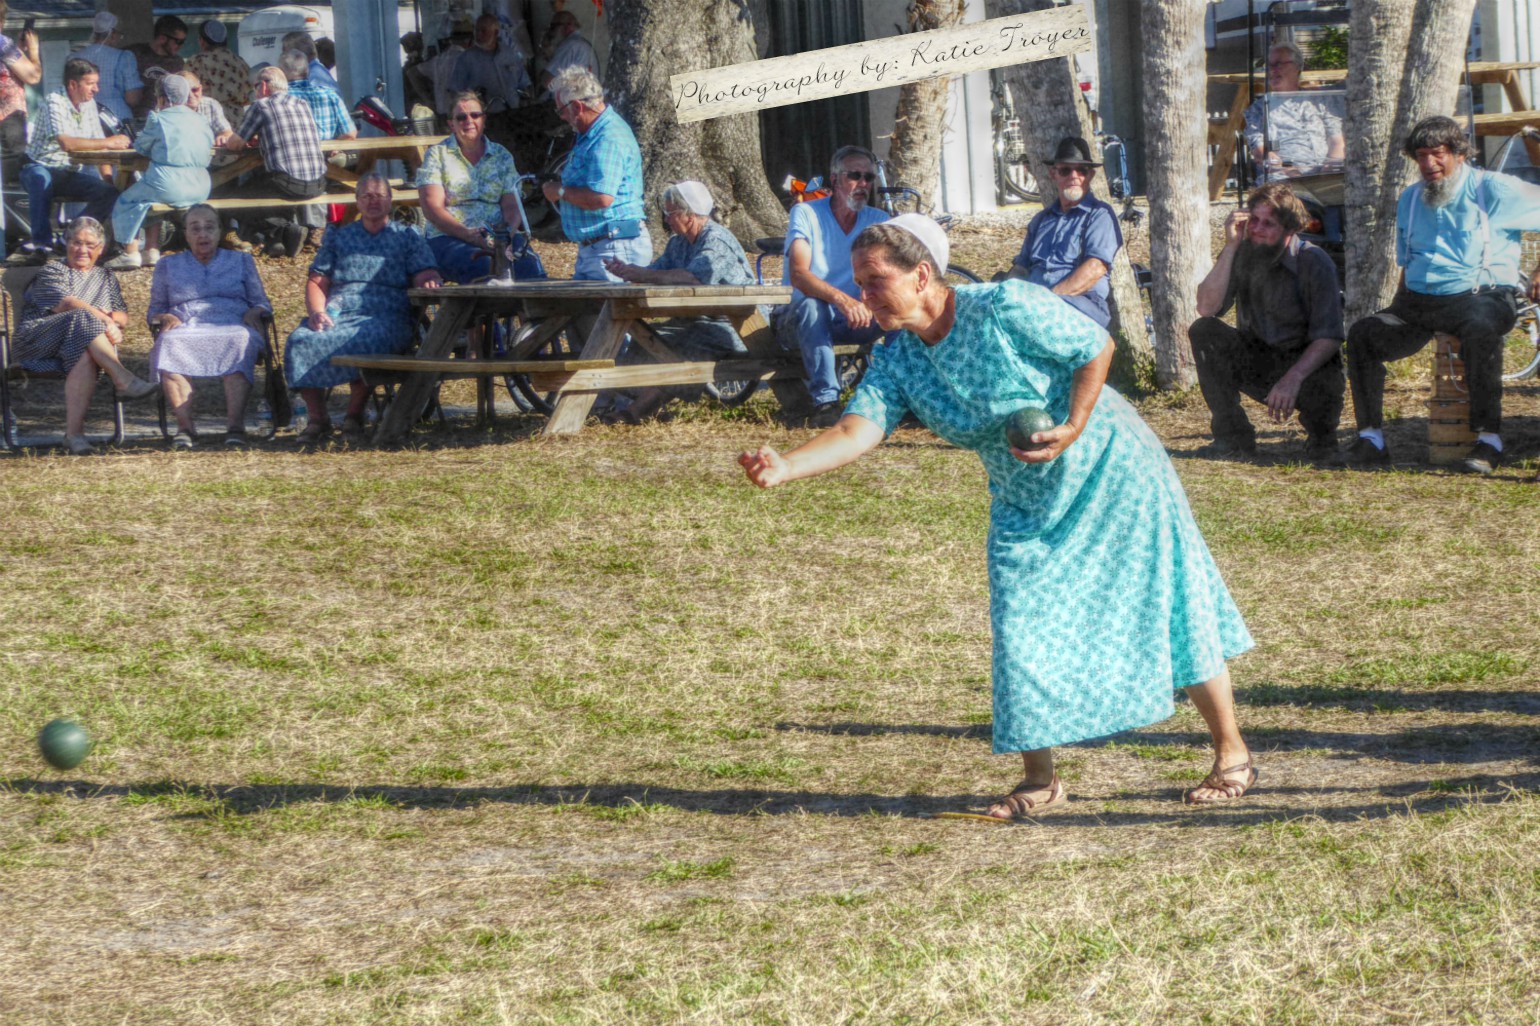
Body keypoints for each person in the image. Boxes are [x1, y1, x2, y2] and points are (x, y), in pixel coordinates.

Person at [739, 214, 1258, 816]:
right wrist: (787, 465)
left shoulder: (1004, 306)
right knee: (1020, 619)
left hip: (1111, 468)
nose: (864, 295)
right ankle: (1040, 780)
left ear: (922, 275)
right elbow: (859, 429)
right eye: (859, 282)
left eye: (876, 280)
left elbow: (1097, 347)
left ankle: (1231, 752)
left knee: (1165, 599)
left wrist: (1072, 426)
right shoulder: (900, 358)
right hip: (1024, 496)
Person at [1341, 115, 1540, 475]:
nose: (1429, 164)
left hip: (1483, 295)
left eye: (1437, 154)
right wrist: (1399, 307)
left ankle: (1489, 439)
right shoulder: (1410, 198)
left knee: (1480, 328)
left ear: (1460, 154)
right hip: (1420, 302)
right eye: (1421, 156)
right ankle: (1371, 438)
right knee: (1362, 333)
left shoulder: (1493, 189)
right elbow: (1407, 260)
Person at [1189, 182, 1345, 460]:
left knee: (1327, 371)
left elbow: (1329, 336)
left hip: (1305, 366)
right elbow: (1206, 307)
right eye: (1254, 221)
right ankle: (1233, 437)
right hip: (1261, 358)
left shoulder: (1313, 261)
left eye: (1268, 224)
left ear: (1291, 228)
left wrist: (1292, 378)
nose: (1257, 230)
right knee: (1204, 332)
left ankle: (1322, 438)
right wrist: (1230, 247)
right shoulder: (1245, 253)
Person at [283, 174, 442, 443]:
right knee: (301, 340)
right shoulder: (339, 237)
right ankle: (317, 419)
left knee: (364, 339)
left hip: (387, 314)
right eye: (367, 196)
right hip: (340, 311)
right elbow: (317, 281)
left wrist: (428, 279)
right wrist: (317, 312)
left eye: (380, 196)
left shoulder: (406, 236)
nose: (373, 201)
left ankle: (353, 417)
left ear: (390, 201)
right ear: (357, 201)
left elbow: (424, 272)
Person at [604, 180, 758, 421]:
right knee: (646, 337)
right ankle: (642, 401)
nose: (666, 219)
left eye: (671, 213)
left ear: (690, 215)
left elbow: (694, 277)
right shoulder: (678, 243)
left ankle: (635, 413)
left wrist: (644, 274)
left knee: (679, 349)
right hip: (696, 321)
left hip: (735, 325)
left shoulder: (716, 240)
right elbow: (656, 272)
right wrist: (628, 272)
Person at [10, 217, 157, 455]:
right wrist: (105, 321)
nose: (82, 250)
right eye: (76, 242)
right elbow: (67, 303)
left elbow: (122, 314)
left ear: (100, 250)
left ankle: (74, 436)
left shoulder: (106, 277)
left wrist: (112, 321)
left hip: (78, 344)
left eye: (90, 245)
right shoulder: (52, 270)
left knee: (87, 351)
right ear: (66, 243)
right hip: (36, 343)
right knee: (82, 317)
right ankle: (122, 377)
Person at [775, 144, 890, 427]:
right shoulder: (806, 214)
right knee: (814, 307)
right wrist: (844, 300)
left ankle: (898, 394)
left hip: (857, 318)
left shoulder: (878, 221)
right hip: (802, 319)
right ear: (835, 179)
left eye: (868, 178)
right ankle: (826, 402)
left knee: (901, 312)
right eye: (854, 175)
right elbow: (800, 274)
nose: (862, 184)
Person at [147, 203, 272, 448]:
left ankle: (235, 427)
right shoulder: (167, 265)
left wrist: (255, 312)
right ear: (185, 234)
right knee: (169, 343)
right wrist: (164, 318)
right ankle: (185, 428)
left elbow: (261, 302)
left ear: (219, 232)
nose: (202, 234)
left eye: (209, 228)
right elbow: (155, 310)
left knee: (240, 339)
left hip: (233, 322)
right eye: (195, 228)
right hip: (186, 325)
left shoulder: (241, 261)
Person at [540, 67, 649, 281]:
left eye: (561, 110)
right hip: (601, 247)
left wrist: (560, 191)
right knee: (585, 314)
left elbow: (601, 197)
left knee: (608, 314)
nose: (562, 117)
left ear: (578, 106)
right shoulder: (592, 134)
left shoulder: (607, 138)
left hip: (614, 249)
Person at [19, 58, 130, 262]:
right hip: (39, 166)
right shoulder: (55, 100)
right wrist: (110, 141)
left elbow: (100, 146)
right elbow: (67, 143)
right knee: (39, 179)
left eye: (96, 83)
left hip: (68, 172)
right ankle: (42, 246)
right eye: (90, 83)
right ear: (72, 84)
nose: (96, 89)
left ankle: (66, 240)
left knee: (111, 193)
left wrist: (106, 179)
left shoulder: (89, 105)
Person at [1007, 136, 1122, 329]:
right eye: (1065, 170)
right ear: (1054, 174)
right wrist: (1006, 292)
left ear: (1090, 176)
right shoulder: (1041, 220)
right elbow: (1021, 268)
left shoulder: (1100, 216)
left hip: (1082, 302)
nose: (1074, 176)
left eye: (1081, 170)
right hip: (1036, 304)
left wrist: (1048, 301)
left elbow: (1095, 268)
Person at [106, 75, 213, 270]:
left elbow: (141, 146)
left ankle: (130, 253)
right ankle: (152, 251)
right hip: (201, 185)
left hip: (169, 183)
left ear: (163, 99)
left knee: (128, 199)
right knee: (148, 199)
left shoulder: (158, 118)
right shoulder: (201, 119)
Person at [416, 91, 524, 283]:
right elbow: (432, 208)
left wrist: (504, 238)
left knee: (528, 265)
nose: (469, 120)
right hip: (449, 238)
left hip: (497, 237)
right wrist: (468, 235)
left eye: (475, 115)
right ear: (451, 124)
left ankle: (535, 313)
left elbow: (512, 205)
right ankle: (481, 313)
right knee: (483, 267)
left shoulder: (502, 156)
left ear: (484, 120)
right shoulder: (437, 155)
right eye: (461, 117)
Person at [224, 66, 329, 258]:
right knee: (267, 187)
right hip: (320, 182)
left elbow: (235, 144)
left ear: (264, 86)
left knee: (234, 201)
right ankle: (277, 243)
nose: (254, 92)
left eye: (255, 86)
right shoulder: (301, 104)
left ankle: (288, 230)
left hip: (288, 182)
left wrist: (227, 138)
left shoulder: (261, 106)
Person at [1244, 41, 1344, 177]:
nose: (1272, 70)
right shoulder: (1259, 109)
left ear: (1297, 67)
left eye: (1278, 64)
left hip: (1324, 176)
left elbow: (1337, 142)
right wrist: (1292, 173)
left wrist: (1329, 170)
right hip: (1282, 178)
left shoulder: (1319, 101)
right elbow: (1261, 153)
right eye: (1269, 66)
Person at [0, 1, 41, 199]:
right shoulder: (2, 43)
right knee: (12, 180)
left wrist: (19, 51)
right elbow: (33, 76)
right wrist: (33, 50)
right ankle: (15, 228)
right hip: (8, 117)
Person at [450, 13, 529, 117]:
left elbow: (524, 84)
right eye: (476, 30)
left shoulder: (510, 54)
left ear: (495, 33)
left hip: (513, 114)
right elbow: (455, 92)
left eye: (483, 31)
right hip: (483, 117)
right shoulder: (466, 59)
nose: (479, 35)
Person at [73, 10, 141, 125]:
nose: (120, 39)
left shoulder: (73, 58)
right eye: (120, 35)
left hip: (83, 118)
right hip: (117, 118)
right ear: (113, 34)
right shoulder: (124, 57)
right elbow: (132, 98)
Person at [185, 19, 251, 128]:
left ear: (202, 41)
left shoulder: (196, 62)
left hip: (208, 118)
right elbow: (248, 95)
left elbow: (184, 91)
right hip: (237, 121)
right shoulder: (239, 62)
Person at [128, 14, 187, 118]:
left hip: (167, 118)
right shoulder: (134, 54)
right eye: (178, 42)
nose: (181, 46)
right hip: (137, 118)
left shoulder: (178, 62)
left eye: (183, 42)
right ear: (162, 38)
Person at [539, 10, 597, 95]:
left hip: (575, 102)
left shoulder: (570, 45)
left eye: (553, 26)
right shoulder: (581, 43)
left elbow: (548, 82)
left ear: (568, 26)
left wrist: (542, 74)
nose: (551, 32)